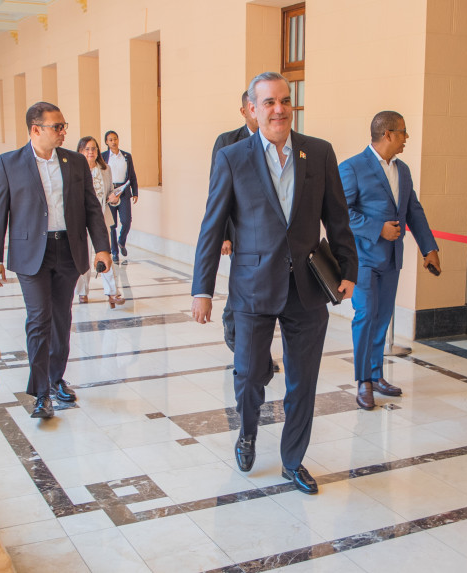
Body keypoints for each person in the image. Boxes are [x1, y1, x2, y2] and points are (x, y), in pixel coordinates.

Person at [191, 72, 358, 495]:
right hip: (253, 287)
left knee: (303, 380)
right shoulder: (232, 157)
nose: (279, 109)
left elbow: (337, 217)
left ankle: (293, 460)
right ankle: (247, 432)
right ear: (252, 108)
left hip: (307, 288)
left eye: (285, 100)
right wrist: (202, 289)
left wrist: (349, 270)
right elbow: (212, 225)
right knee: (249, 375)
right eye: (269, 102)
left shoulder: (318, 152)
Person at [0, 102, 111, 420]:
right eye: (57, 127)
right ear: (35, 129)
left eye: (63, 126)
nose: (63, 132)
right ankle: (41, 393)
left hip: (68, 250)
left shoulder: (75, 162)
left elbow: (91, 208)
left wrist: (102, 247)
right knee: (39, 319)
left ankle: (56, 379)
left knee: (61, 319)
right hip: (31, 254)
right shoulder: (10, 163)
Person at [339, 111, 440, 410]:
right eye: (403, 132)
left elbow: (414, 211)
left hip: (392, 259)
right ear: (388, 134)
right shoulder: (352, 167)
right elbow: (341, 212)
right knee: (365, 315)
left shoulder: (403, 170)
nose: (407, 137)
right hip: (363, 259)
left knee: (382, 318)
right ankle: (363, 382)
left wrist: (429, 248)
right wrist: (377, 228)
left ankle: (376, 374)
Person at [210, 90, 279, 373]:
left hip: (271, 238)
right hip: (240, 234)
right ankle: (239, 344)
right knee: (241, 293)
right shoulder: (227, 142)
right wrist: (224, 235)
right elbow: (219, 195)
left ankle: (257, 352)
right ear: (246, 111)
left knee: (265, 294)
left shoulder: (278, 141)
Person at [74, 136, 127, 308]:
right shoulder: (74, 170)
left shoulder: (105, 169)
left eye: (94, 149)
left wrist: (115, 198)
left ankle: (112, 292)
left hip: (100, 218)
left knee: (105, 254)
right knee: (83, 255)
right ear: (80, 151)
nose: (91, 152)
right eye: (87, 149)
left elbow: (110, 193)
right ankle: (82, 292)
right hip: (80, 219)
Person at [101, 131, 138, 264]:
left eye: (115, 139)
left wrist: (135, 192)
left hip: (124, 192)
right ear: (106, 142)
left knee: (126, 220)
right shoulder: (103, 157)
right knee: (112, 224)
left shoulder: (126, 156)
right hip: (110, 193)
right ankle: (115, 252)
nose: (113, 142)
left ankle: (121, 241)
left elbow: (132, 175)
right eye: (110, 140)